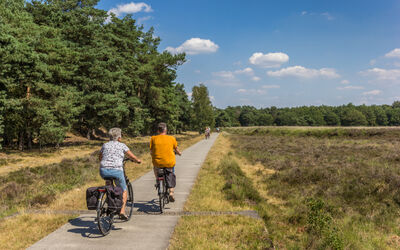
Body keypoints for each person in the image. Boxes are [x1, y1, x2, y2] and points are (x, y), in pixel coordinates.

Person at [99, 128, 141, 220]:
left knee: (109, 183)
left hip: (103, 170)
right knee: (123, 189)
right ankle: (122, 211)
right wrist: (137, 160)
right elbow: (131, 156)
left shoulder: (105, 145)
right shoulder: (122, 146)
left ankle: (108, 198)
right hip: (117, 171)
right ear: (119, 138)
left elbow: (100, 157)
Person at [150, 123, 181, 202]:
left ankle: (157, 180)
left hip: (157, 162)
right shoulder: (171, 138)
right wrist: (179, 153)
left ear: (158, 131)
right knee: (171, 173)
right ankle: (171, 192)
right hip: (169, 162)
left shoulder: (153, 138)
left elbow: (151, 151)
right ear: (166, 130)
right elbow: (176, 149)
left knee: (155, 167)